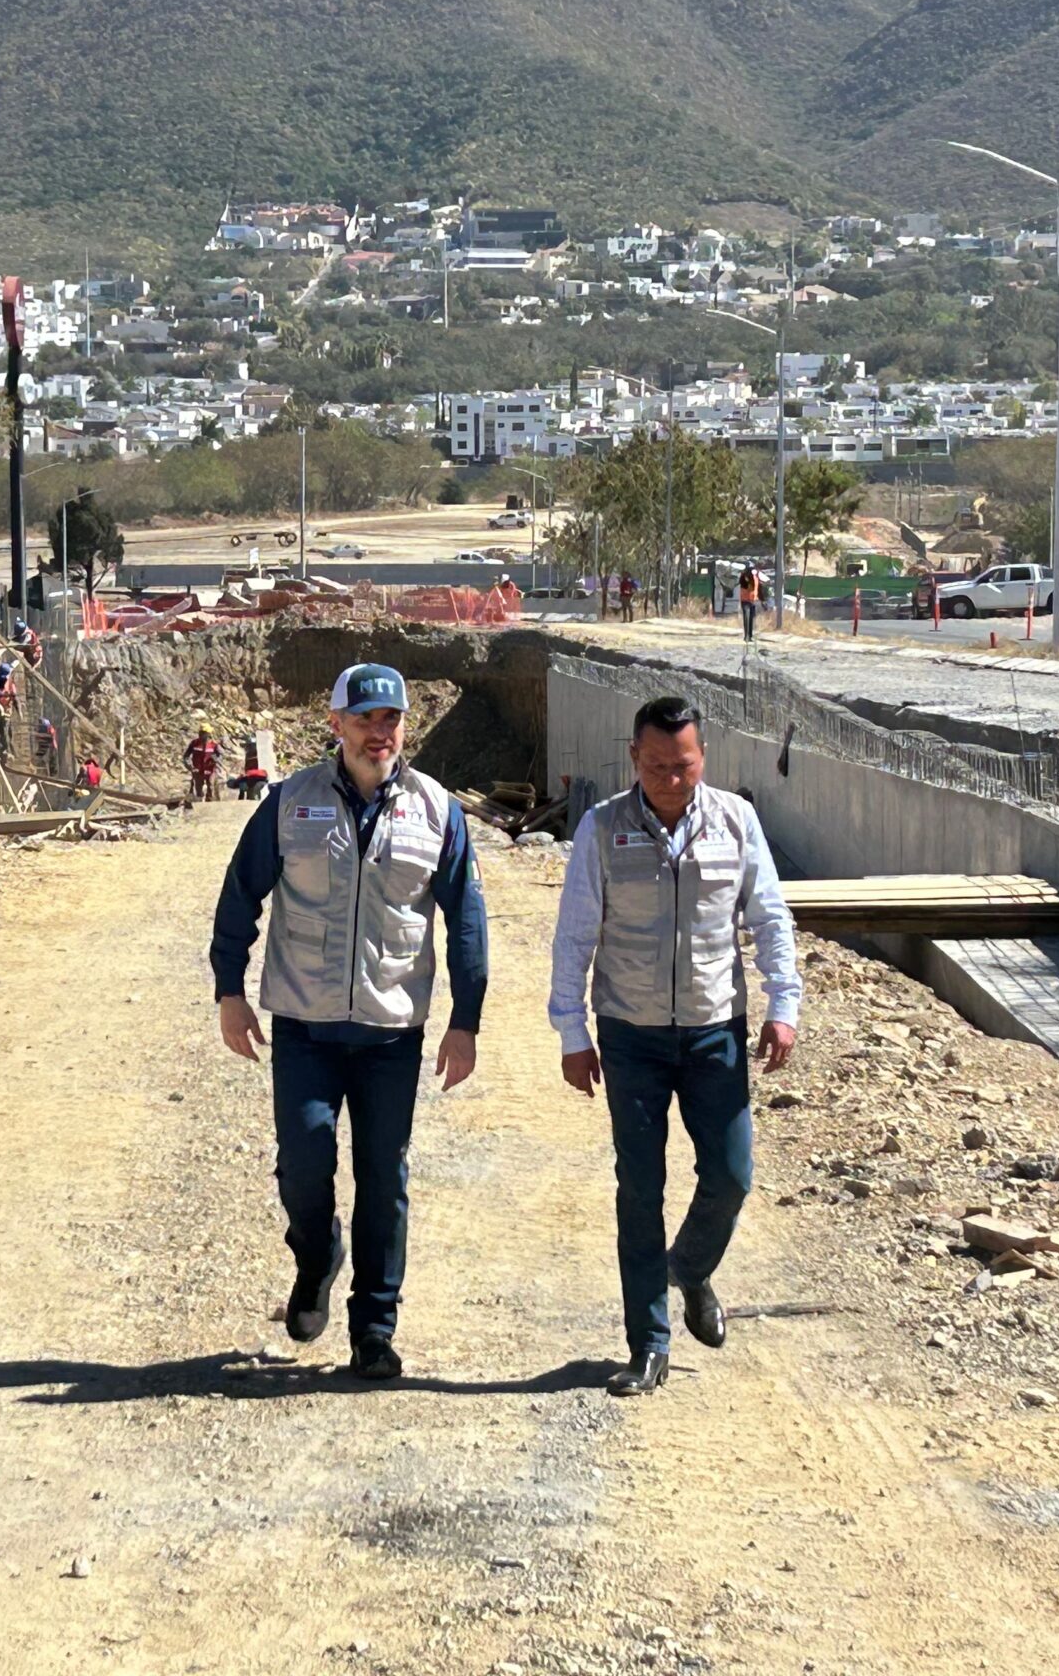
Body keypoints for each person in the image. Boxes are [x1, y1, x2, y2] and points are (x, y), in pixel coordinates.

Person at [209, 663, 487, 1381]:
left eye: (390, 719)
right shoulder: (289, 802)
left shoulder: (437, 811)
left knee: (383, 1178)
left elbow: (467, 920)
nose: (378, 732)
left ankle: (374, 1329)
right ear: (336, 724)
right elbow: (240, 896)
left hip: (392, 1032)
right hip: (305, 1024)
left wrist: (466, 1020)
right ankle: (316, 1256)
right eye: (364, 719)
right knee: (304, 1161)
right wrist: (229, 989)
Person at [548, 694, 800, 1396]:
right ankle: (648, 1345)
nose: (671, 779)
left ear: (703, 757)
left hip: (715, 1028)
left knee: (732, 1174)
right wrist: (571, 1031)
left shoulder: (735, 821)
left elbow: (769, 917)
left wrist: (784, 1004)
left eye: (684, 765)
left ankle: (688, 1268)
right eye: (656, 765)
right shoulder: (602, 828)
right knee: (640, 1189)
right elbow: (575, 934)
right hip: (630, 1034)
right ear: (634, 757)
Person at [185, 724, 223, 802]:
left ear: (209, 734)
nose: (201, 734)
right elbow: (186, 756)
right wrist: (189, 766)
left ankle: (210, 802)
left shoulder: (214, 745)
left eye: (204, 733)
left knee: (210, 786)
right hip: (197, 770)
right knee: (198, 788)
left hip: (210, 769)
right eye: (201, 732)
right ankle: (199, 803)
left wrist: (216, 759)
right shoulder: (194, 743)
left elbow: (221, 755)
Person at [736, 563, 761, 642]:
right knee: (746, 618)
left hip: (753, 600)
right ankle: (746, 636)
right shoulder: (744, 577)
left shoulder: (755, 577)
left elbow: (757, 588)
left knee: (751, 619)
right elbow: (746, 585)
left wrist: (761, 599)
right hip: (745, 600)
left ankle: (750, 636)